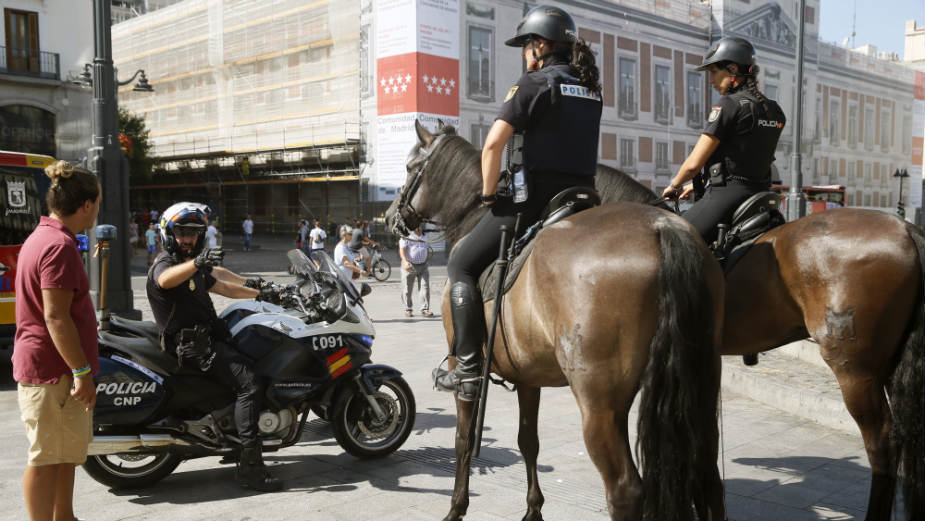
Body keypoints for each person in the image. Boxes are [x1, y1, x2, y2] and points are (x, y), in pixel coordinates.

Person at [432, 5, 602, 400]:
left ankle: (468, 368)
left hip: (536, 200)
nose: (524, 52)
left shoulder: (533, 83)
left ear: (541, 45)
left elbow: (493, 145)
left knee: (460, 264)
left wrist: (489, 193)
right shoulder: (591, 89)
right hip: (584, 198)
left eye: (526, 44)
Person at [147, 202, 283, 492]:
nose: (188, 239)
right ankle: (250, 468)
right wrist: (197, 263)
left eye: (194, 233)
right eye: (182, 233)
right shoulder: (167, 263)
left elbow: (223, 285)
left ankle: (233, 440)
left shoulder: (189, 266)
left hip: (205, 341)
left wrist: (261, 292)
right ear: (169, 234)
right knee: (250, 384)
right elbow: (163, 280)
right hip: (194, 349)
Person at [13, 160, 101, 521]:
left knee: (64, 455)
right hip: (53, 372)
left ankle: (65, 516)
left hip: (54, 370)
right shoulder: (58, 246)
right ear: (87, 205)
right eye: (97, 204)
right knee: (46, 459)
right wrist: (81, 371)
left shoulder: (46, 237)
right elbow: (55, 316)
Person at [661, 37, 786, 244]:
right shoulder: (774, 110)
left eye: (713, 72)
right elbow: (748, 156)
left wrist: (674, 186)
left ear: (733, 69)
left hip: (728, 195)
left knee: (674, 240)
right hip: (762, 194)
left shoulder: (729, 104)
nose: (711, 80)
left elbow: (693, 165)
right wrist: (697, 185)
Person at [399, 225, 432, 318]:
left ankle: (425, 309)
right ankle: (408, 309)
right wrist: (405, 262)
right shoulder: (406, 235)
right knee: (407, 289)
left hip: (423, 265)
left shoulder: (424, 236)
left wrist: (426, 258)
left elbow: (427, 248)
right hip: (410, 265)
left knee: (425, 287)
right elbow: (402, 250)